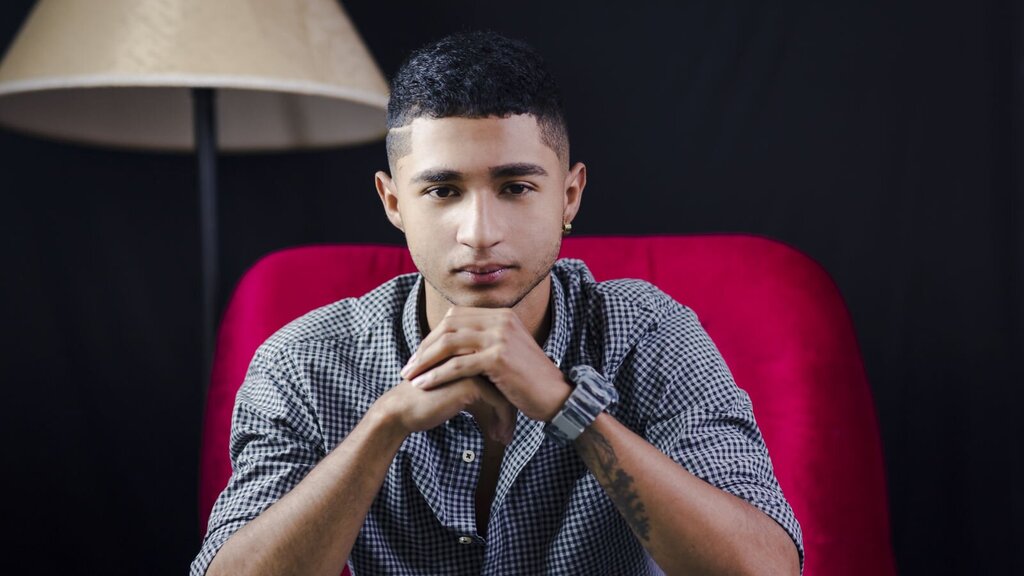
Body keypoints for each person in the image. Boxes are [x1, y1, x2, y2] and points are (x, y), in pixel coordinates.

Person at [192, 30, 803, 576]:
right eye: (442, 190)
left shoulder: (647, 333)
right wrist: (385, 425)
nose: (480, 233)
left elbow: (768, 569)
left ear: (569, 196)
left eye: (515, 187)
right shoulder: (305, 361)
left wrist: (568, 407)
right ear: (394, 203)